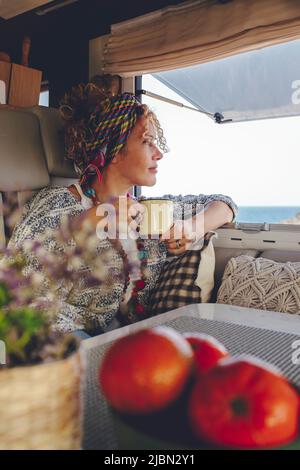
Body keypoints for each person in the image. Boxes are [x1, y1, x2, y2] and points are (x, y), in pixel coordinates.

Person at [8, 81, 238, 334]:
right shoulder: (57, 204)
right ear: (114, 151)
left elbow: (224, 203)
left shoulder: (151, 213)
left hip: (125, 343)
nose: (158, 153)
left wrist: (192, 227)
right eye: (147, 141)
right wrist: (87, 225)